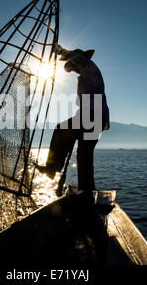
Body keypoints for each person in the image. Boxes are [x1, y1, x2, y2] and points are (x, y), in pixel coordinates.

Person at [35, 44, 110, 192]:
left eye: (74, 66)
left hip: (93, 116)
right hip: (96, 118)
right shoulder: (85, 75)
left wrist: (59, 51)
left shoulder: (89, 67)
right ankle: (87, 190)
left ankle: (52, 168)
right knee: (83, 155)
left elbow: (77, 59)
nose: (74, 69)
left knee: (60, 130)